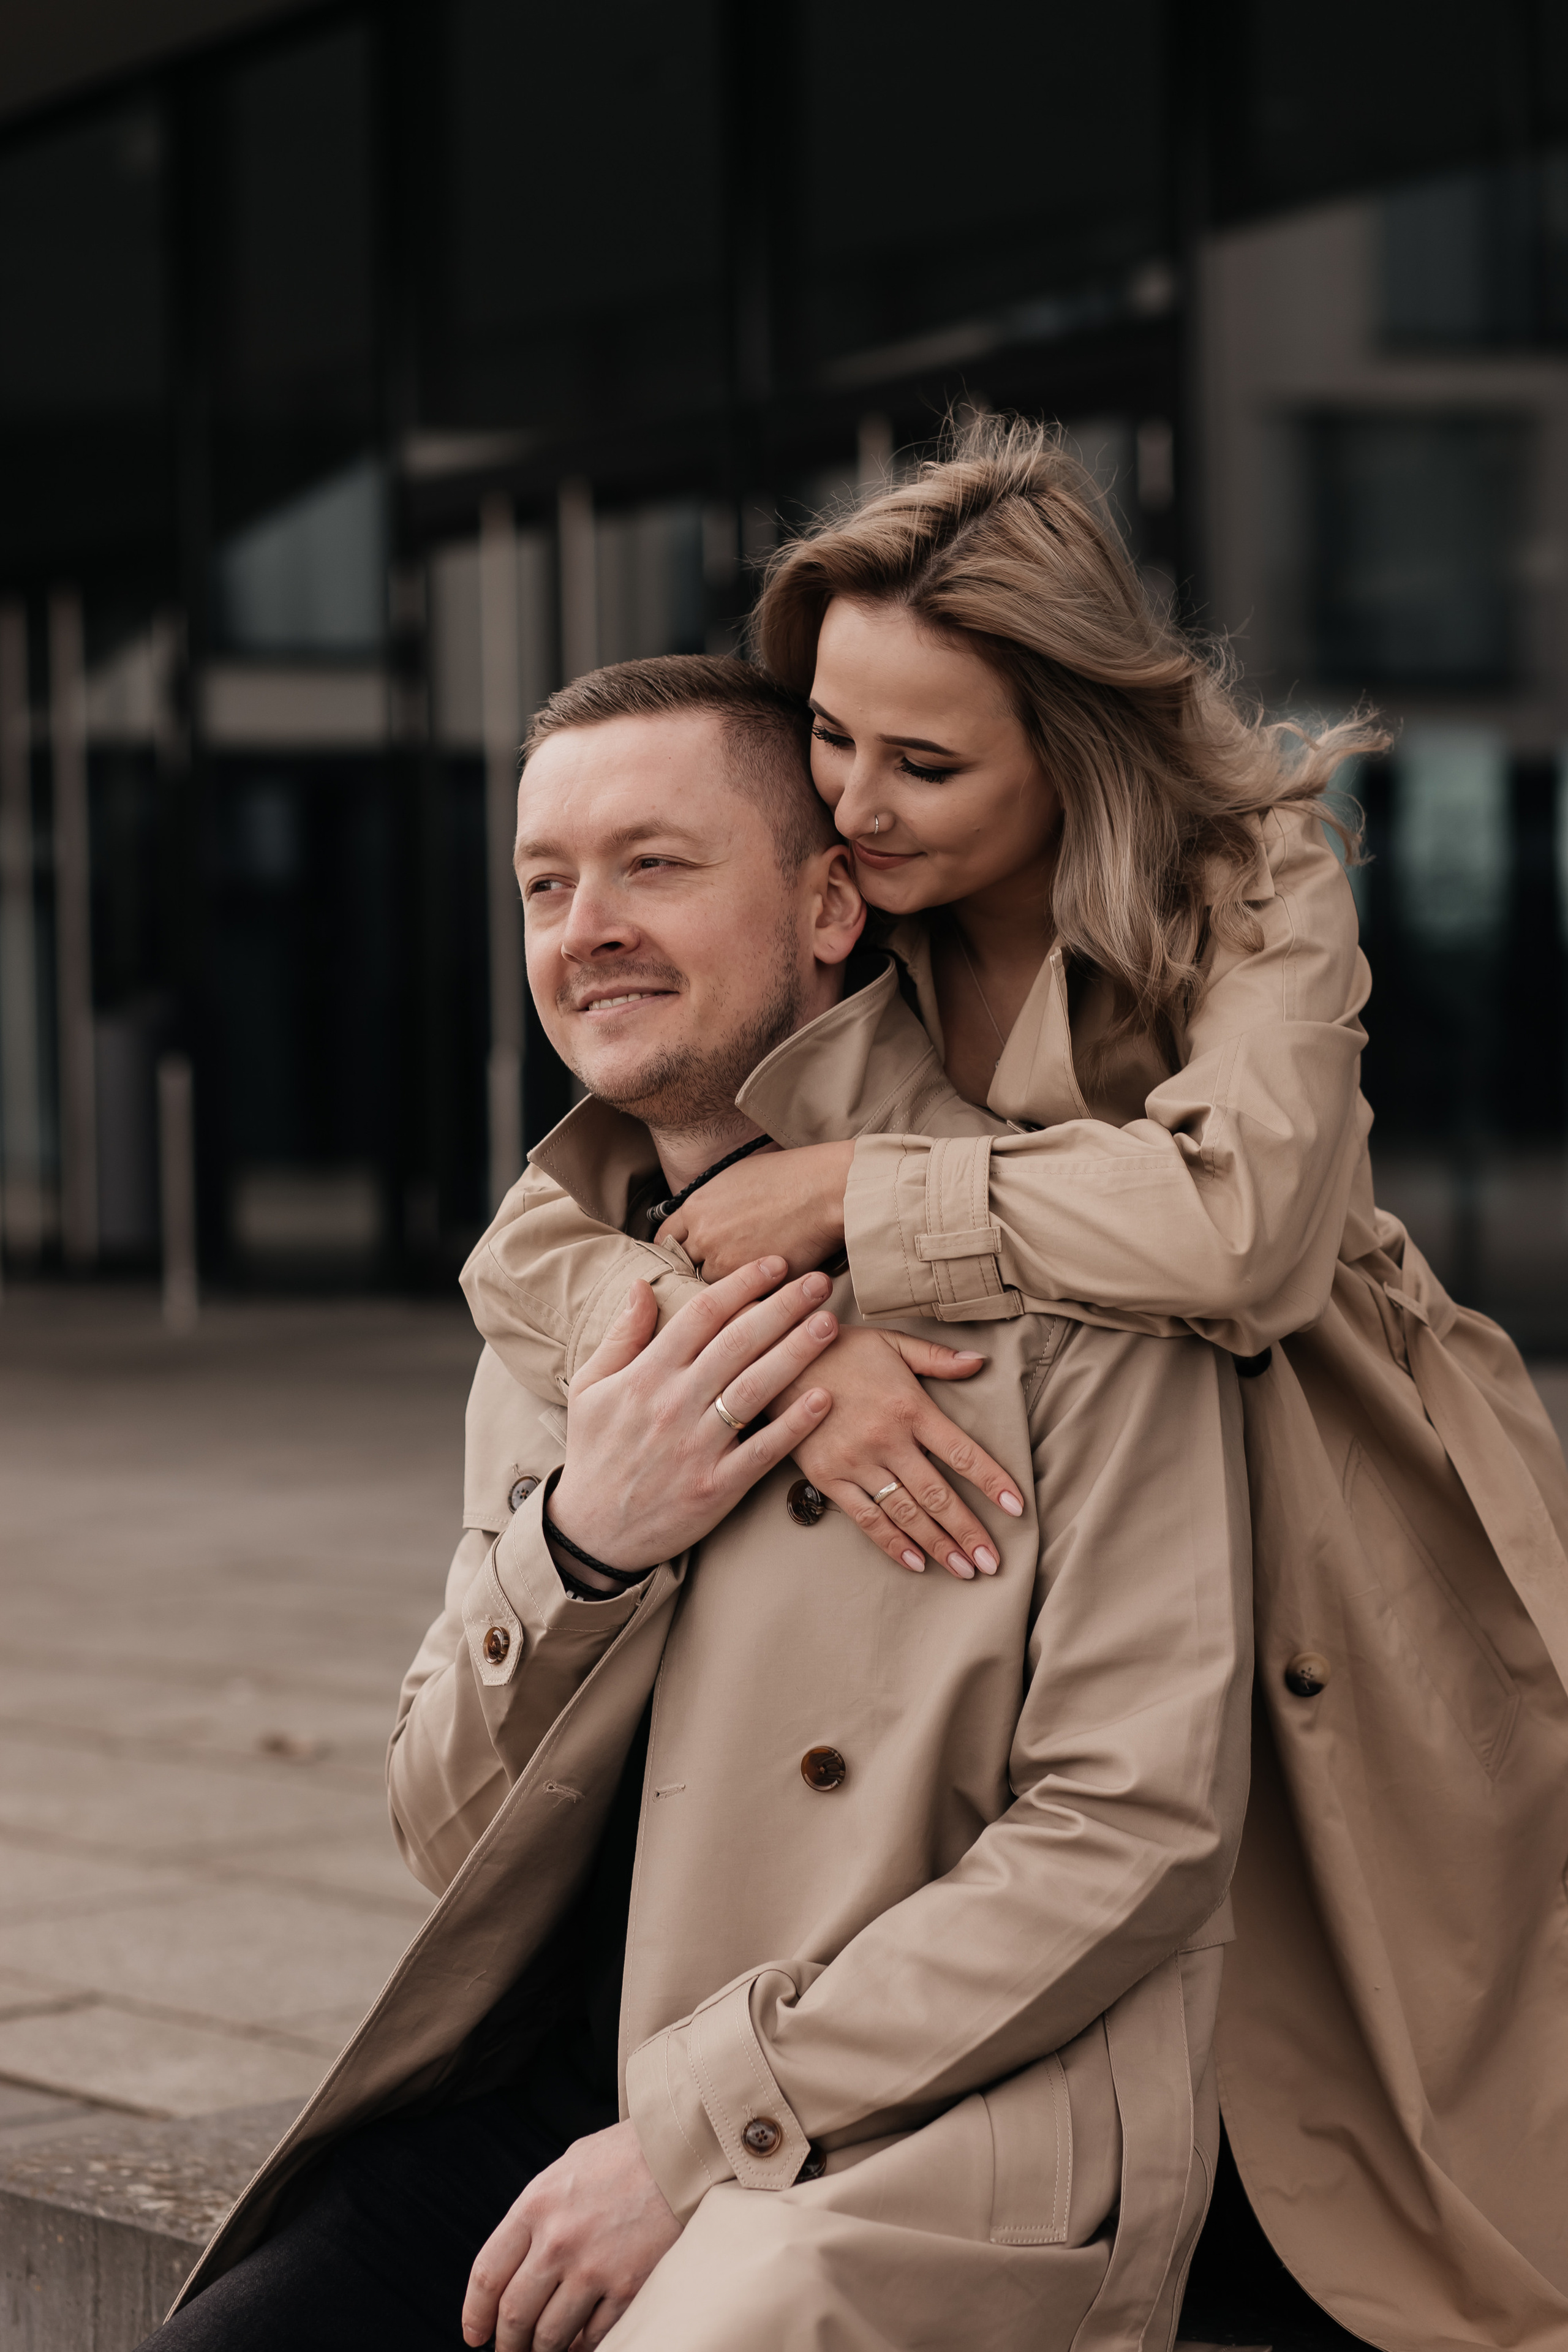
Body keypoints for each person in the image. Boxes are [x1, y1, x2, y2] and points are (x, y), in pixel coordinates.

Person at [464, 420, 1568, 2352]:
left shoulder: (1248, 878)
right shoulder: (842, 895)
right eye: (827, 735)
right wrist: (805, 1360)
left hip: (1326, 1477)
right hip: (1050, 1464)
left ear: (1067, 741)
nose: (858, 805)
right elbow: (581, 1216)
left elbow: (1238, 1229)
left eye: (926, 760)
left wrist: (856, 1206)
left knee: (1383, 1994)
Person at [146, 657, 1251, 2352]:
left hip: (911, 2131)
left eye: (654, 864)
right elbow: (445, 1834)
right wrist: (586, 1538)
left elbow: (1133, 1829)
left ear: (829, 903)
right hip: (562, 2106)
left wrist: (695, 2126)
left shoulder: (1051, 1264)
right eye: (545, 882)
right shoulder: (561, 1304)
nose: (586, 925)